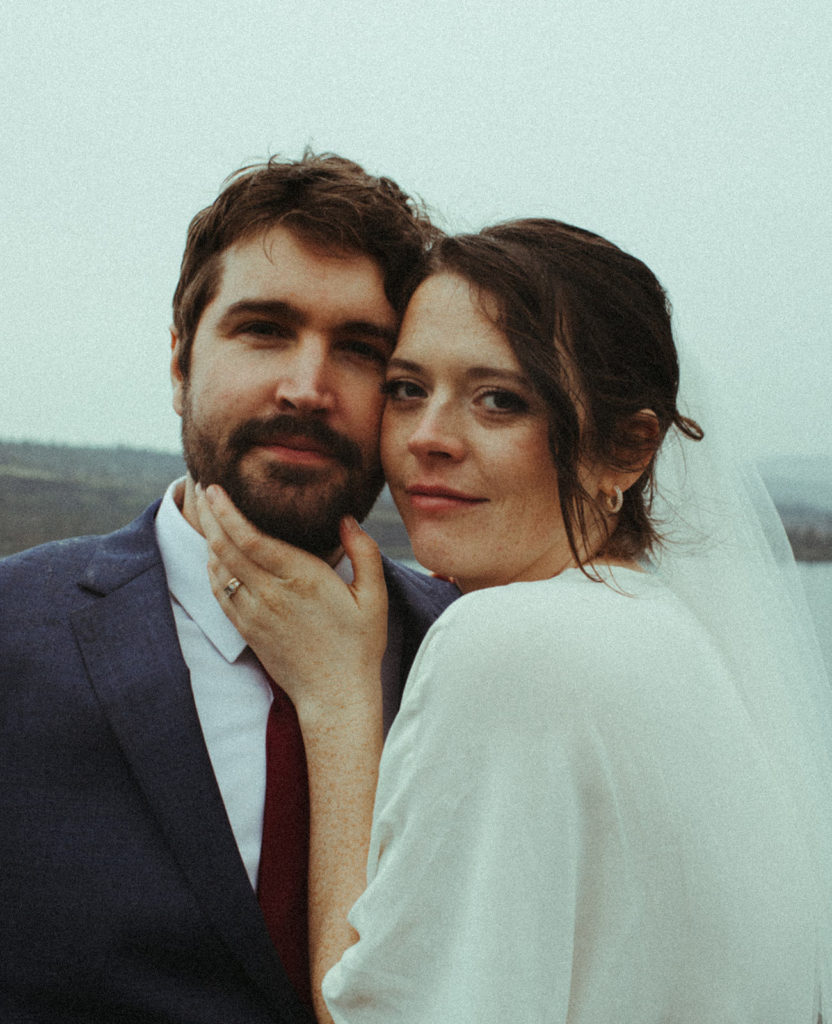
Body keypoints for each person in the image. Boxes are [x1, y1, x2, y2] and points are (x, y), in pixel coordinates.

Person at [199, 218, 832, 1023]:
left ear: (628, 451)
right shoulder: (669, 637)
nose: (428, 439)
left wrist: (337, 701)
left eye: (501, 401)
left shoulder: (506, 646)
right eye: (407, 389)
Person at [0, 152, 458, 1024]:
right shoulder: (10, 630)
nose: (307, 388)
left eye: (360, 350)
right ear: (179, 361)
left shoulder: (468, 657)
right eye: (264, 330)